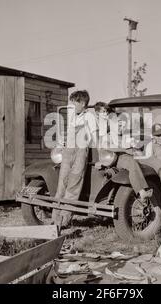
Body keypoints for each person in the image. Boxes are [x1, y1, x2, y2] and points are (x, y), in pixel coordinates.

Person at [52, 90, 98, 229]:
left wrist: (97, 151)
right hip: (68, 151)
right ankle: (55, 219)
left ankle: (64, 220)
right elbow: (68, 135)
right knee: (62, 183)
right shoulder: (73, 116)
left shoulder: (89, 116)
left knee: (73, 185)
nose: (71, 105)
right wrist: (61, 146)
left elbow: (94, 137)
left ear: (83, 103)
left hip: (80, 152)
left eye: (74, 102)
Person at [94, 102, 153, 202]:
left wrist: (135, 146)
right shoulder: (108, 135)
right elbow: (106, 146)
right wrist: (126, 148)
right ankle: (141, 191)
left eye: (123, 125)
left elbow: (134, 144)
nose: (121, 127)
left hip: (128, 155)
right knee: (132, 164)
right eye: (118, 125)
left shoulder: (124, 136)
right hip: (118, 158)